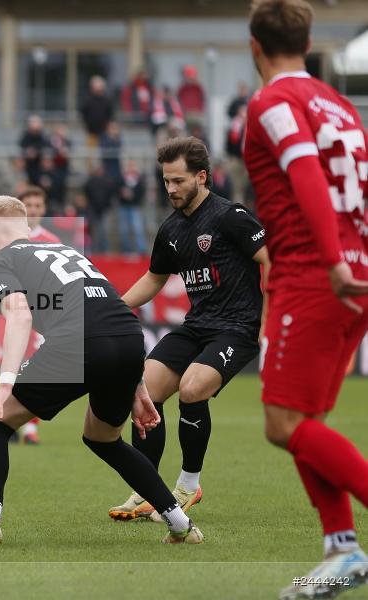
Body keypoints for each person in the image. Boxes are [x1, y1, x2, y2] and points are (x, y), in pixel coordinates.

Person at [0, 195, 204, 547]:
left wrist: (5, 386)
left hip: (80, 342)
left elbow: (19, 315)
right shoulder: (68, 251)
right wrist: (136, 384)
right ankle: (180, 523)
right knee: (103, 438)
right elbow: (110, 309)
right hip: (129, 337)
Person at [245, 2, 368, 597]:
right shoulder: (338, 103)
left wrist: (334, 261)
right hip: (351, 273)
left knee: (281, 422)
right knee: (306, 420)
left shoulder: (272, 102)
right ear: (309, 40)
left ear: (254, 46)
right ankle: (341, 550)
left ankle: (345, 548)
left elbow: (306, 176)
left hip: (315, 274)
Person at [107, 135, 269, 522]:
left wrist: (270, 321)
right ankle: (146, 491)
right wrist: (110, 306)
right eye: (166, 181)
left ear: (201, 176)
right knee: (143, 388)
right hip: (197, 326)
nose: (171, 189)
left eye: (178, 181)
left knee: (193, 389)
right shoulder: (171, 231)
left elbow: (271, 259)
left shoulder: (231, 216)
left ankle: (188, 485)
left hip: (237, 328)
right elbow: (153, 279)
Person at [0, 186, 60, 445]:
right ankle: (9, 418)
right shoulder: (1, 240)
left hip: (39, 317)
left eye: (38, 205)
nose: (35, 210)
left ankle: (30, 428)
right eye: (31, 206)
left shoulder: (51, 240)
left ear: (43, 209)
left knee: (34, 369)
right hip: (9, 315)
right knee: (8, 366)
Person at [116, 159, 148, 256]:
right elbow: (116, 189)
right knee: (124, 230)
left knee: (138, 229)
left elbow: (142, 191)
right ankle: (126, 250)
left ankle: (141, 250)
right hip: (124, 206)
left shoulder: (139, 178)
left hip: (135, 206)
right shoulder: (121, 178)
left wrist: (133, 195)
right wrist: (123, 193)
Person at [80, 76, 114, 166]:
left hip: (104, 133)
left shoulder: (107, 100)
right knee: (90, 156)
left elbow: (110, 115)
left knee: (105, 155)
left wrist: (109, 128)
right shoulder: (87, 100)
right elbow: (83, 113)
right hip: (91, 132)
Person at [19, 115, 48, 186]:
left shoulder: (43, 137)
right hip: (28, 168)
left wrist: (36, 151)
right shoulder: (25, 136)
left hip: (39, 169)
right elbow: (22, 146)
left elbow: (44, 146)